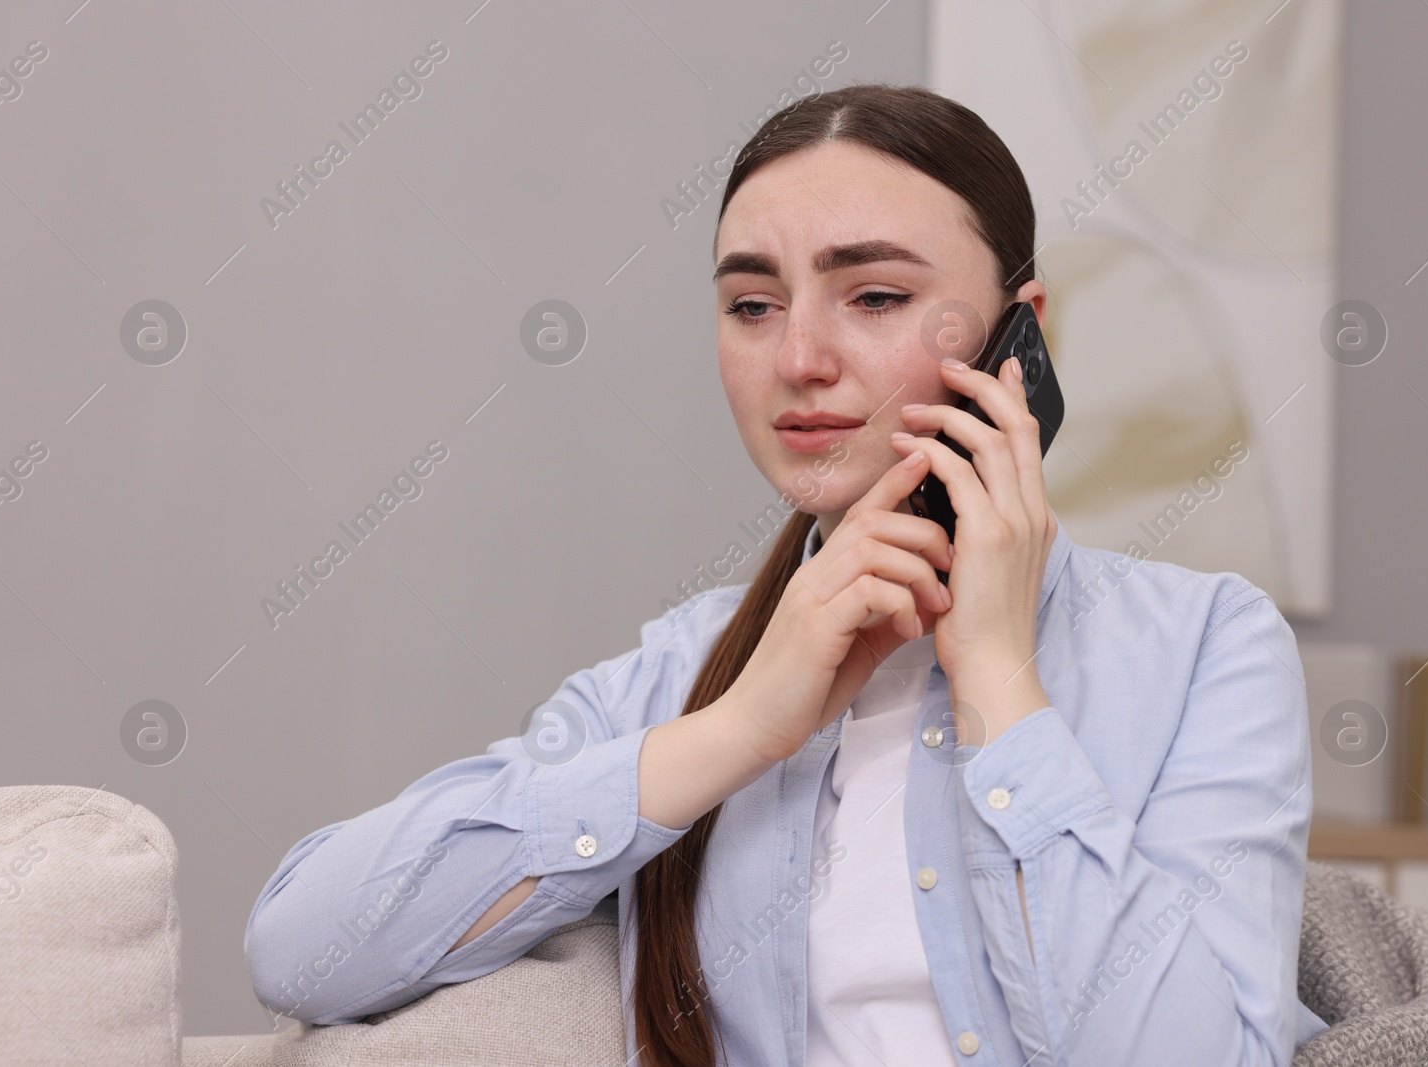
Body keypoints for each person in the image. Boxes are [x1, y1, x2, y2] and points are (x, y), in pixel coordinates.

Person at [245, 83, 1323, 1066]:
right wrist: (745, 723)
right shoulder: (684, 671)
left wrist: (999, 679)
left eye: (875, 296)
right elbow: (304, 948)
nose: (799, 357)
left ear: (1018, 340)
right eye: (753, 306)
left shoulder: (1203, 648)